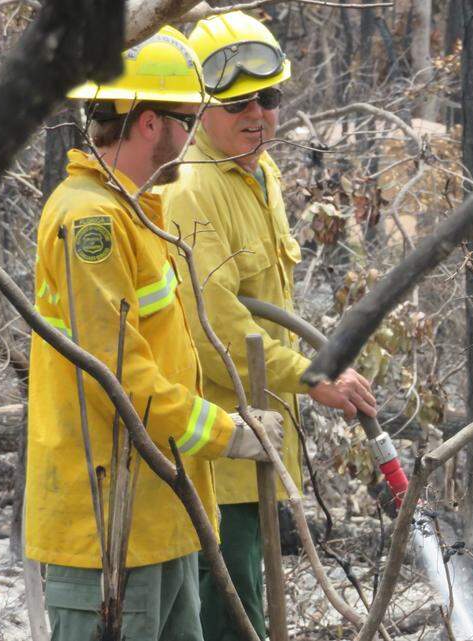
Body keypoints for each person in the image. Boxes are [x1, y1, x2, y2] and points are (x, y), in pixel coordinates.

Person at [26, 26, 285, 641]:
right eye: (189, 120)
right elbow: (119, 381)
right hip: (107, 534)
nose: (193, 136)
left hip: (163, 521)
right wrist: (228, 432)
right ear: (149, 124)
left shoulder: (139, 213)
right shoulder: (90, 220)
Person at [162, 12, 377, 640]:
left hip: (260, 438)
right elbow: (214, 326)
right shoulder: (191, 190)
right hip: (215, 451)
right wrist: (311, 376)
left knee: (247, 602)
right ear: (199, 106)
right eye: (238, 104)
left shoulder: (261, 170)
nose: (258, 115)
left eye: (270, 98)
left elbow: (267, 305)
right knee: (230, 615)